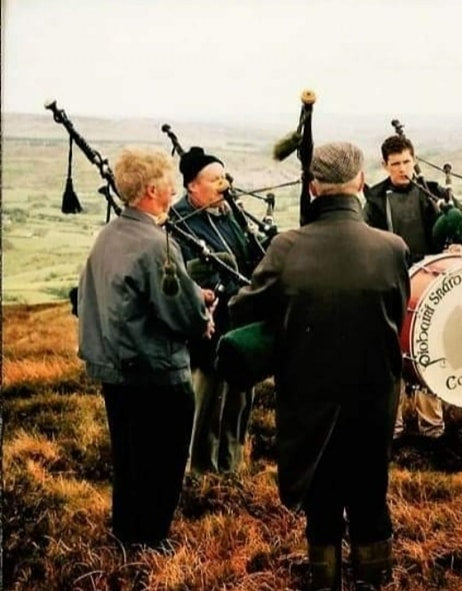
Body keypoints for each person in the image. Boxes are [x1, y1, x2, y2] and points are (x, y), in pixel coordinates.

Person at [230, 142, 409, 591]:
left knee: (322, 502)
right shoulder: (392, 248)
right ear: (362, 182)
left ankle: (324, 580)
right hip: (374, 401)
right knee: (371, 497)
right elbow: (397, 312)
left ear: (312, 186)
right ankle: (376, 579)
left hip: (309, 404)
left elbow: (243, 311)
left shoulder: (286, 246)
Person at [77, 147, 213, 549]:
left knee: (129, 459)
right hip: (156, 373)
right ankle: (152, 541)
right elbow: (185, 317)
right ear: (153, 190)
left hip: (115, 371)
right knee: (163, 462)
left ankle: (127, 535)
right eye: (170, 183)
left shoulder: (109, 234)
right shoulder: (157, 244)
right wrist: (202, 312)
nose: (174, 190)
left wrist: (190, 296)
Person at [364, 134, 462, 440]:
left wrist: (460, 246)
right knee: (390, 354)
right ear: (384, 165)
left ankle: (431, 432)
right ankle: (393, 430)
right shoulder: (376, 199)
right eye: (395, 164)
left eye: (406, 161)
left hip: (433, 285)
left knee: (428, 350)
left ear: (414, 159)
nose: (402, 169)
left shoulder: (434, 193)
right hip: (394, 284)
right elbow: (369, 240)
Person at [168, 147, 262, 475]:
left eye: (224, 177)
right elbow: (181, 276)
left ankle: (232, 468)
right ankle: (199, 473)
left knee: (239, 399)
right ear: (192, 186)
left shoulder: (231, 214)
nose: (223, 185)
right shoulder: (178, 222)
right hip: (207, 331)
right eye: (214, 179)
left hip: (239, 326)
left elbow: (251, 257)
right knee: (206, 403)